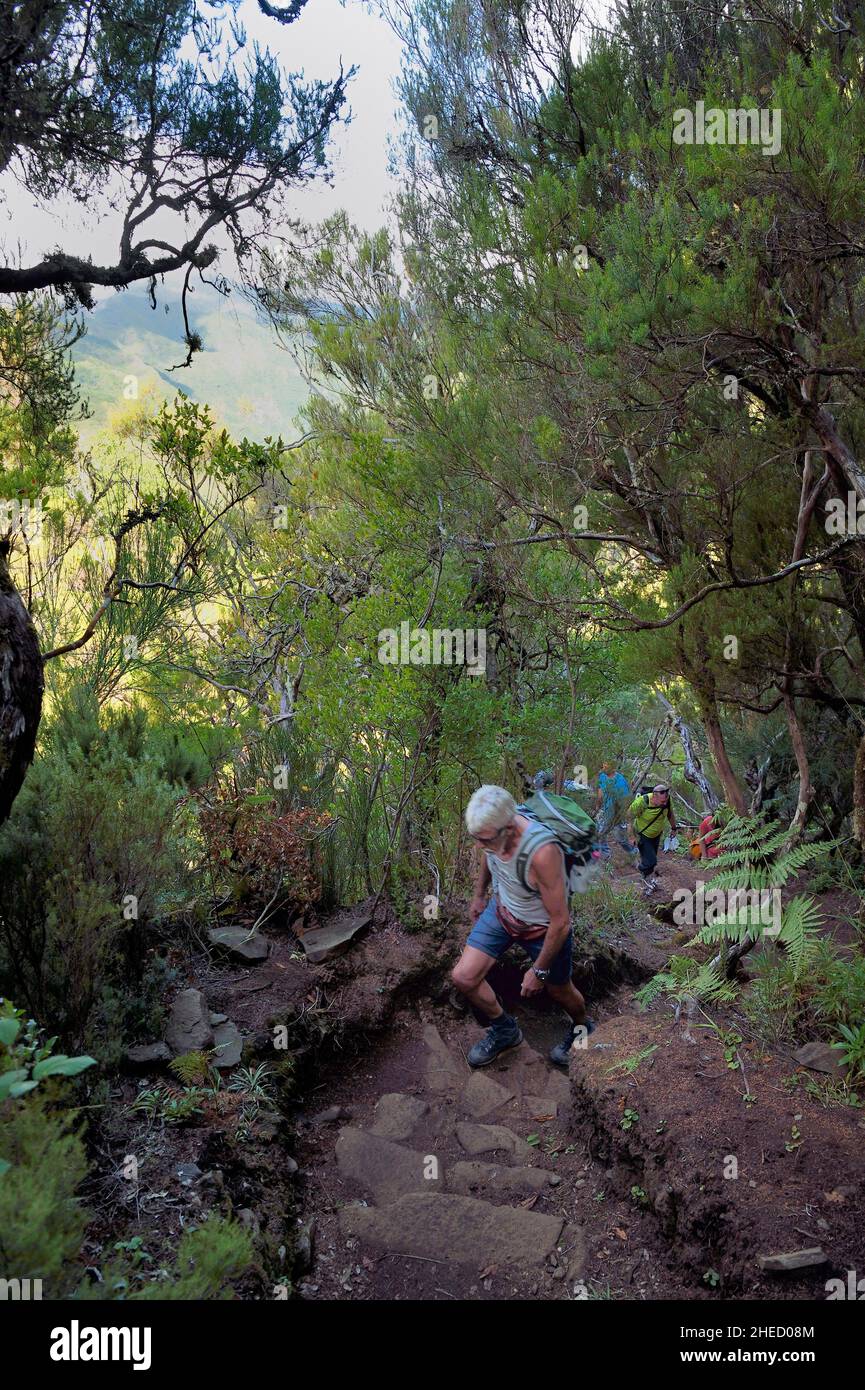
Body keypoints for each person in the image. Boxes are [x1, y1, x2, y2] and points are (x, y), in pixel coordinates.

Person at [452, 784, 595, 1068]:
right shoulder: (494, 835)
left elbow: (561, 922)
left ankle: (583, 1027)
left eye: (484, 839)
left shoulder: (542, 852)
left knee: (559, 991)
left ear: (508, 827)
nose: (479, 845)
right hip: (502, 913)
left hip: (541, 930)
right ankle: (506, 1031)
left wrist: (539, 971)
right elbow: (488, 854)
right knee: (464, 977)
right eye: (476, 838)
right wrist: (480, 895)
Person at [627, 782, 677, 894]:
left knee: (650, 860)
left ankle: (646, 881)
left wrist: (674, 828)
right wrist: (631, 836)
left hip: (656, 834)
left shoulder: (667, 801)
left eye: (666, 801)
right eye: (662, 801)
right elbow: (629, 817)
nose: (664, 803)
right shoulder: (642, 802)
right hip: (642, 834)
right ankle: (640, 870)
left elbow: (670, 814)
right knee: (651, 861)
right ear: (654, 796)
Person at [596, 762, 637, 855]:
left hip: (618, 814)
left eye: (606, 766)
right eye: (603, 765)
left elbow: (625, 801)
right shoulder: (602, 776)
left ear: (613, 768)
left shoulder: (620, 781)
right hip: (606, 811)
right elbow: (600, 791)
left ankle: (633, 852)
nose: (604, 767)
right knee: (600, 832)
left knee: (620, 838)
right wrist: (598, 805)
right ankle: (605, 853)